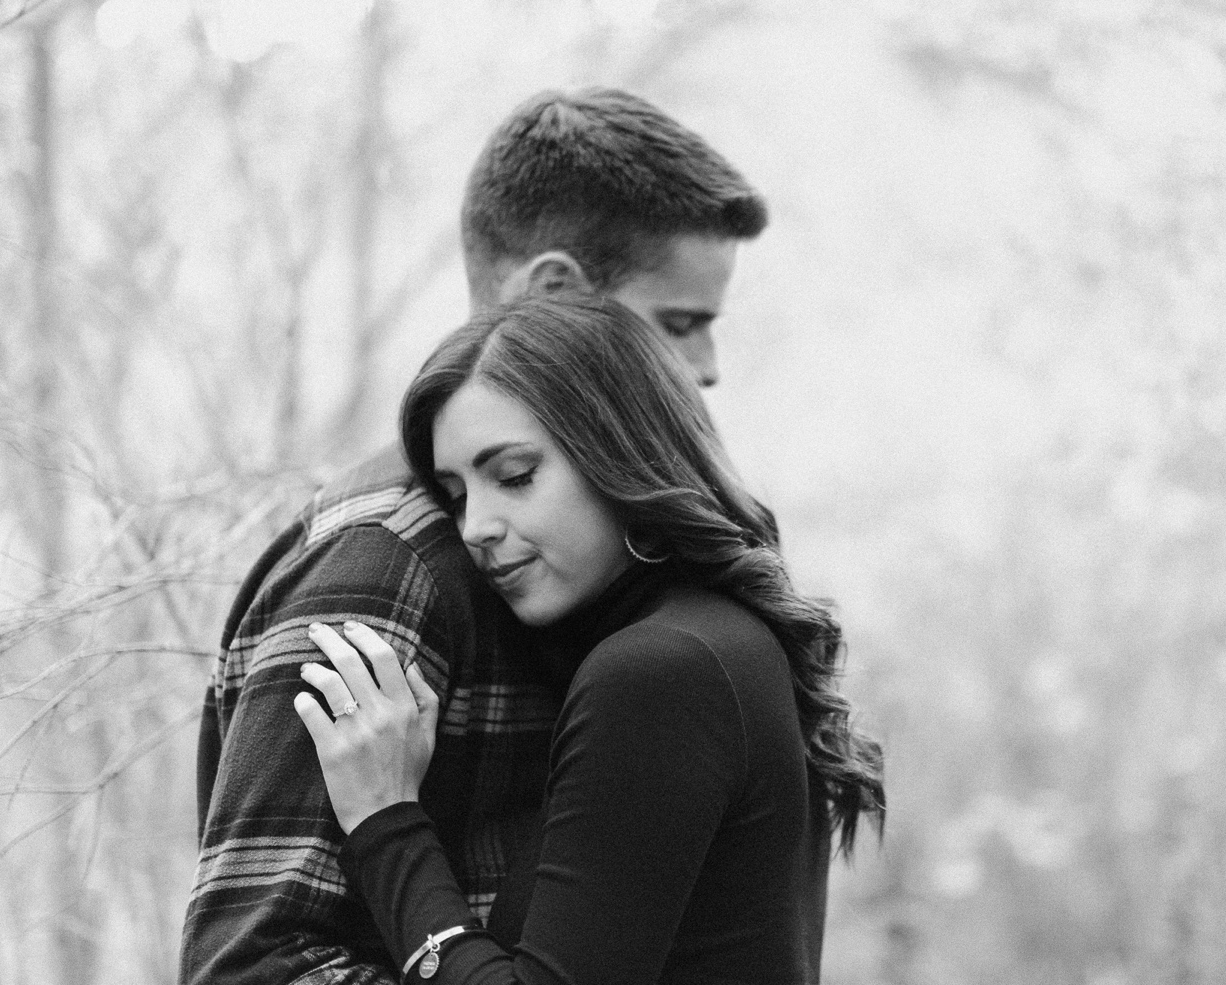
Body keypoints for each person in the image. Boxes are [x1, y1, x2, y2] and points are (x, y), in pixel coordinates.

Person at [180, 88, 768, 985]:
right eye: (679, 324)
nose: (705, 368)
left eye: (513, 476)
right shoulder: (388, 563)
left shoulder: (641, 595)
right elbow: (249, 966)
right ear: (558, 294)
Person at [296, 294, 885, 983]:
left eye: (515, 477)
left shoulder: (662, 674)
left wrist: (387, 821)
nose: (476, 526)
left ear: (618, 453)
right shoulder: (720, 644)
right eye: (455, 495)